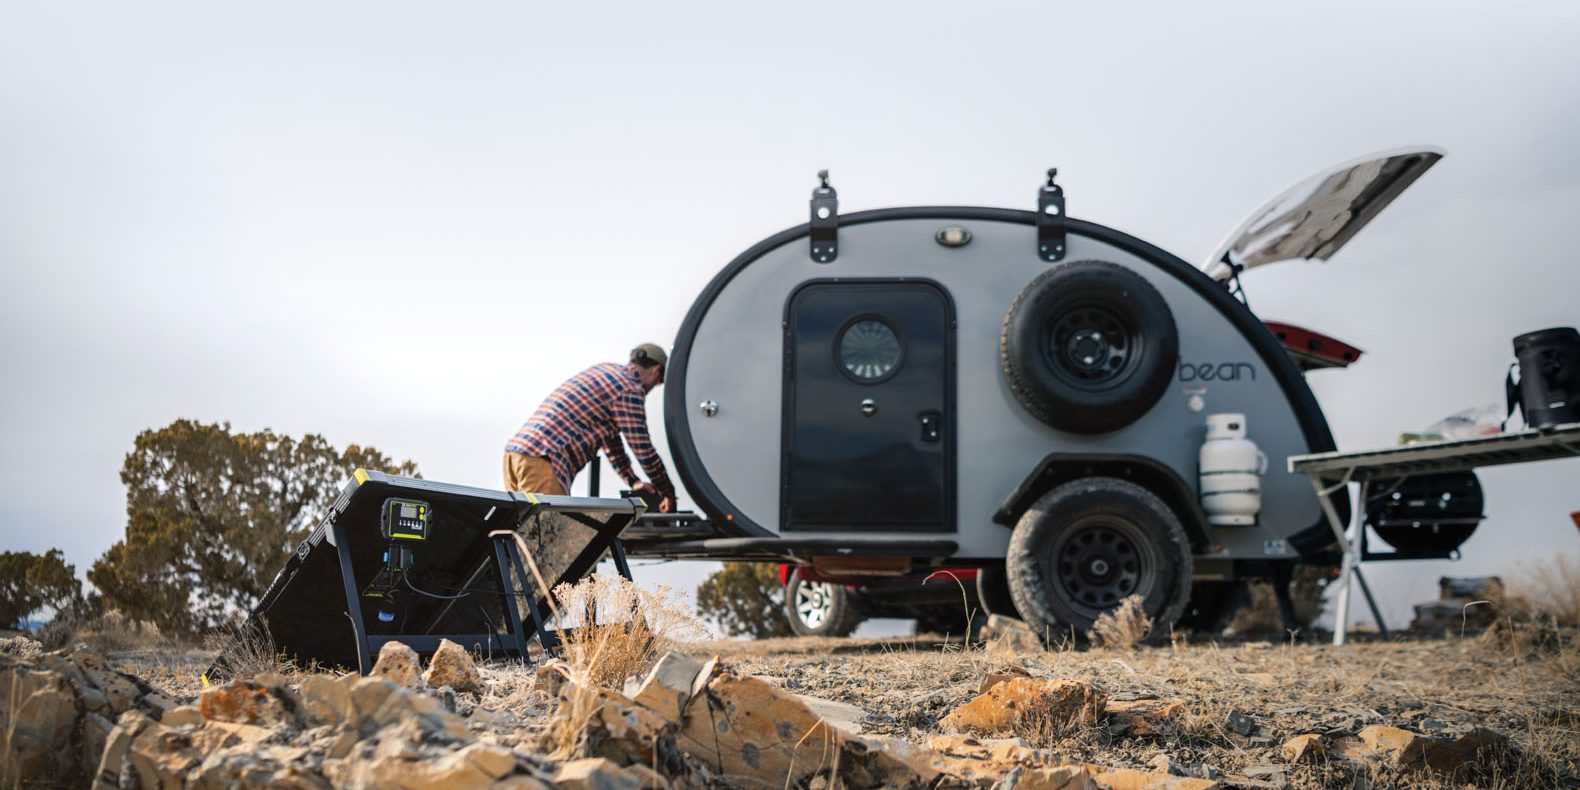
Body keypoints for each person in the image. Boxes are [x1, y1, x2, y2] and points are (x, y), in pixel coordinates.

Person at [503, 343, 676, 512]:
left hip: (515, 455)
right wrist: (667, 492)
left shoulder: (606, 371)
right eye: (658, 383)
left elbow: (612, 444)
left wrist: (633, 481)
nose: (652, 388)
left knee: (520, 534)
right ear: (656, 371)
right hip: (543, 460)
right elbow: (643, 449)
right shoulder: (630, 389)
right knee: (549, 535)